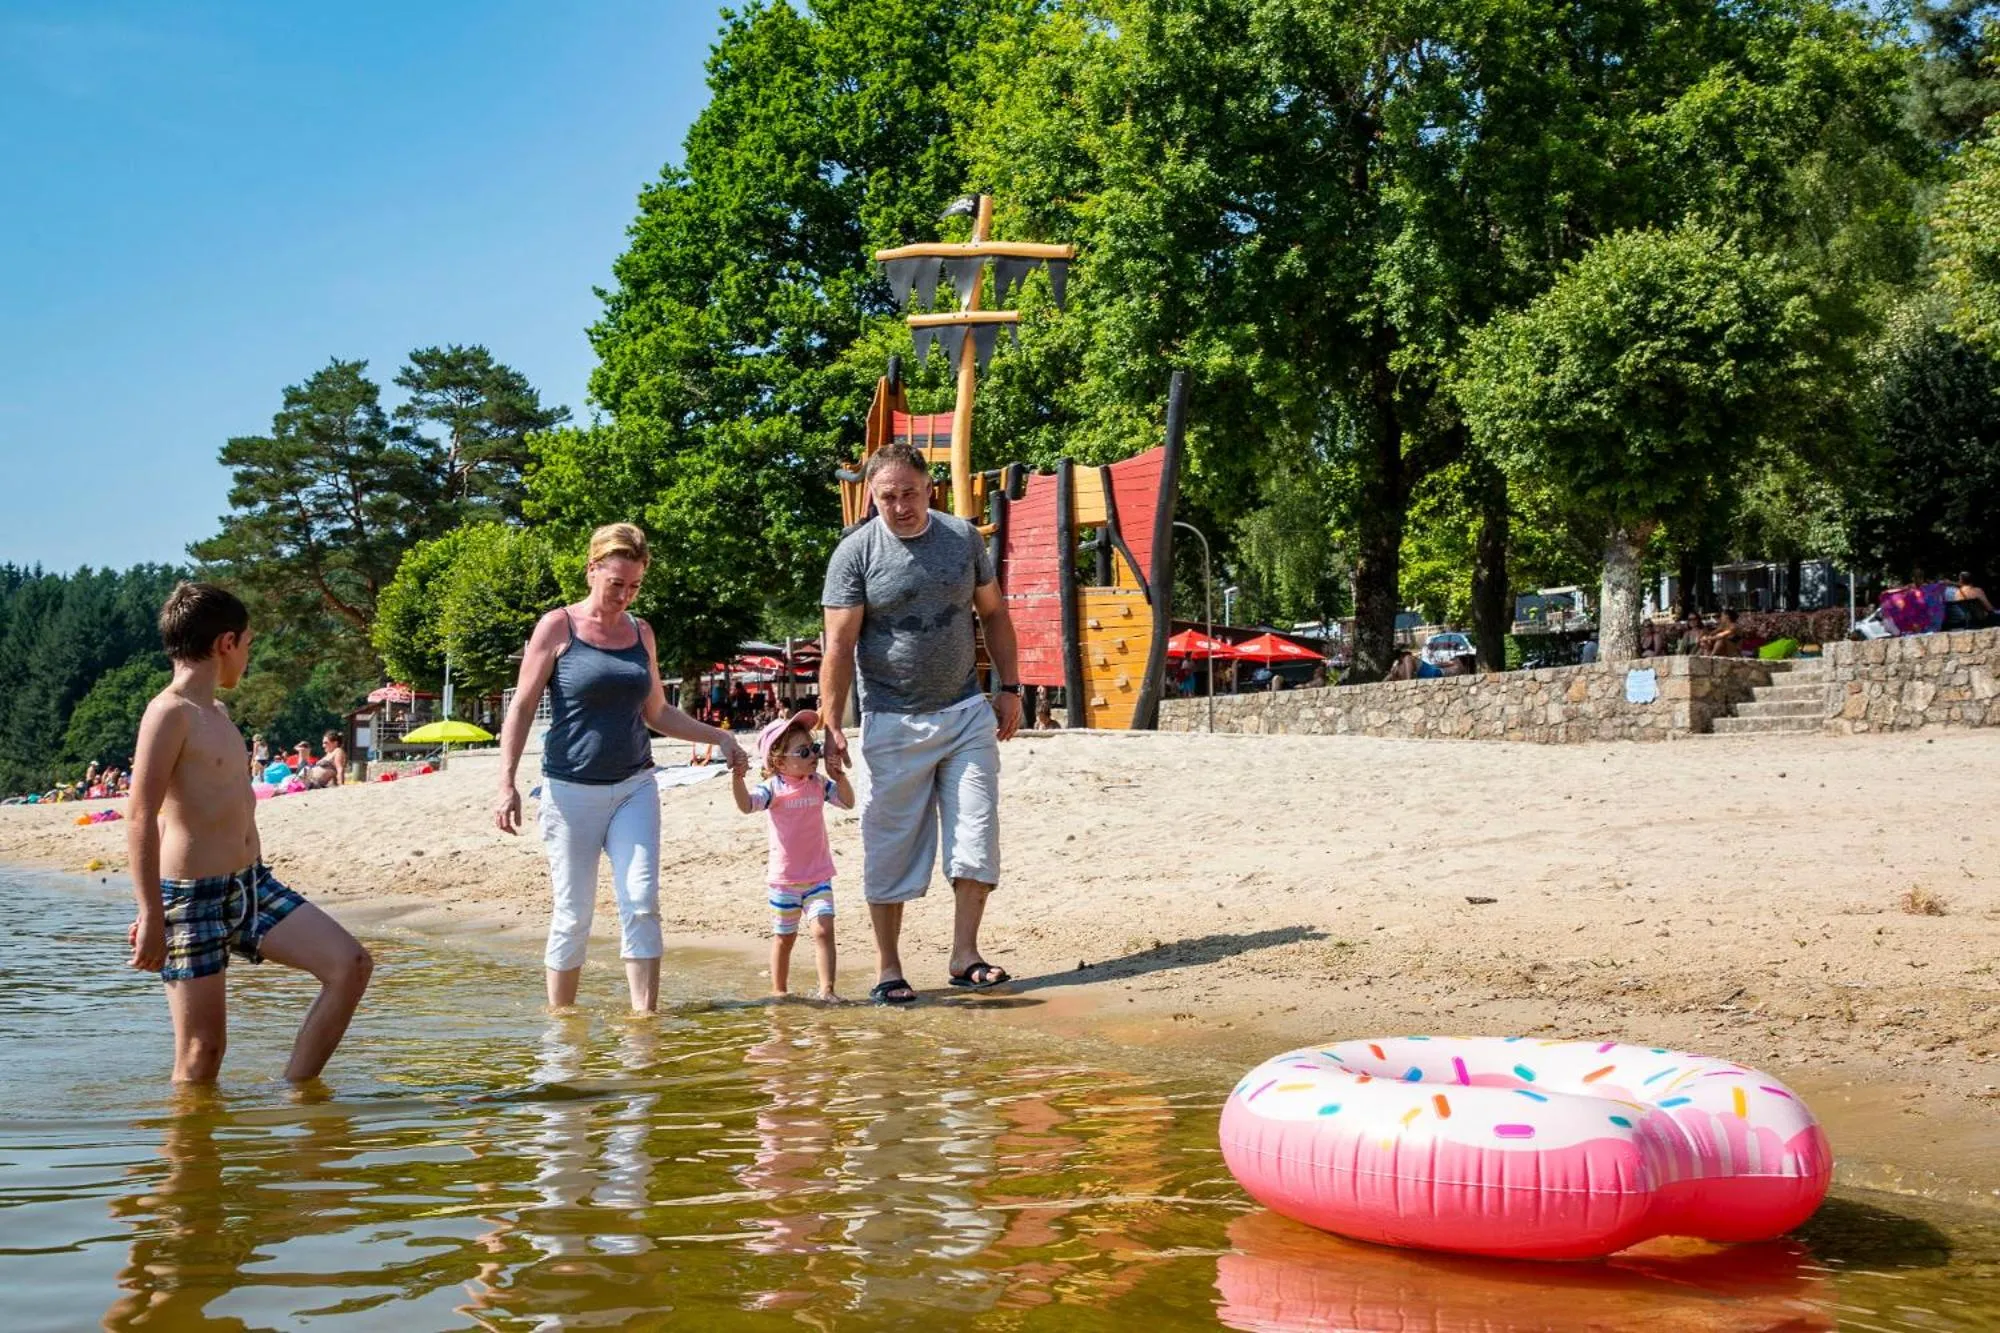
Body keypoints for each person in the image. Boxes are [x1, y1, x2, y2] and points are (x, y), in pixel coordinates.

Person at [124, 582, 373, 1083]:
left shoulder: (216, 713)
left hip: (251, 886)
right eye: (249, 644)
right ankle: (190, 1157)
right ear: (226, 643)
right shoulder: (168, 713)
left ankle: (298, 1098)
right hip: (192, 899)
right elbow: (139, 814)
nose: (248, 656)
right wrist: (152, 913)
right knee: (202, 1053)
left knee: (350, 965)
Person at [494, 523, 748, 1012]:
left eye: (634, 586)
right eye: (616, 584)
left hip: (634, 784)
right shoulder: (557, 626)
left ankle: (644, 1021)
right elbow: (522, 707)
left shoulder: (640, 631)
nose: (625, 596)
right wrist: (505, 782)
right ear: (592, 570)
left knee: (642, 901)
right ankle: (562, 1028)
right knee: (573, 913)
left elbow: (657, 713)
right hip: (570, 790)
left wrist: (718, 736)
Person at [821, 442, 1022, 1005]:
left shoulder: (961, 539)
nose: (900, 506)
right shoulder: (855, 554)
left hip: (965, 713)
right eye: (887, 496)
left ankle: (965, 955)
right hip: (891, 719)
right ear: (871, 497)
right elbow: (838, 647)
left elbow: (995, 614)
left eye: (909, 493)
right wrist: (832, 725)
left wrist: (1010, 688)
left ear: (928, 487)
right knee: (891, 845)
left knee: (976, 833)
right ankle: (889, 968)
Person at [732, 710, 855, 1001]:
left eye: (813, 749)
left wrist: (840, 776)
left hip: (818, 876)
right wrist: (737, 779)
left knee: (823, 931)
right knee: (784, 938)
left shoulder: (819, 783)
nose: (813, 755)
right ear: (778, 761)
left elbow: (848, 802)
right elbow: (747, 805)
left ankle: (827, 989)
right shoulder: (772, 788)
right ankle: (779, 990)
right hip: (784, 882)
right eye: (804, 751)